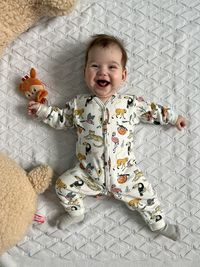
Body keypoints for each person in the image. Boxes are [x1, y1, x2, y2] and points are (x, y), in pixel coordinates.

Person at [28, 34, 187, 241]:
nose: (103, 71)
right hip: (88, 174)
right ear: (85, 73)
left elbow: (153, 111)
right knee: (62, 185)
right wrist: (42, 111)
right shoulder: (79, 104)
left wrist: (174, 118)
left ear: (123, 75)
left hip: (126, 173)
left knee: (148, 195)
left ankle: (160, 224)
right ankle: (76, 213)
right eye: (95, 66)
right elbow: (61, 118)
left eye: (112, 67)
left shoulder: (129, 104)